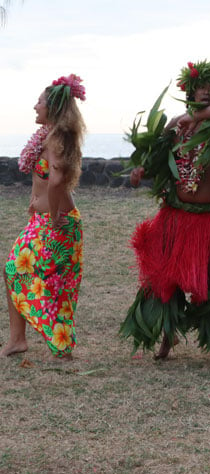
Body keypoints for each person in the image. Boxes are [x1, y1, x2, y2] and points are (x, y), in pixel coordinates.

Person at [120, 60, 210, 366]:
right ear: (188, 91)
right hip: (177, 215)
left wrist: (194, 115)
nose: (204, 93)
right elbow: (161, 158)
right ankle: (167, 335)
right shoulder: (177, 125)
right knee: (165, 277)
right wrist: (143, 168)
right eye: (198, 89)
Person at [3, 74, 86, 358]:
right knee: (16, 271)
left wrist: (51, 215)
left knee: (51, 282)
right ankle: (18, 340)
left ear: (52, 107)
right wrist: (36, 205)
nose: (35, 106)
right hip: (43, 220)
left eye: (39, 102)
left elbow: (56, 180)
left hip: (58, 222)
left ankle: (55, 343)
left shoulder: (57, 140)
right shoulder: (47, 137)